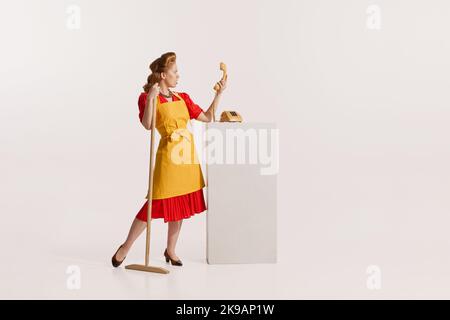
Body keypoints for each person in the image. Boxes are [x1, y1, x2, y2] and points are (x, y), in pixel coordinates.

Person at [111, 52, 227, 267]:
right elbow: (147, 125)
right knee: (153, 205)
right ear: (163, 75)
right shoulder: (146, 97)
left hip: (187, 158)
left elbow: (208, 118)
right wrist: (153, 98)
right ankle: (126, 246)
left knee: (180, 205)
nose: (178, 76)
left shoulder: (184, 97)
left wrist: (219, 94)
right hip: (168, 157)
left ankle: (171, 250)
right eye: (175, 72)